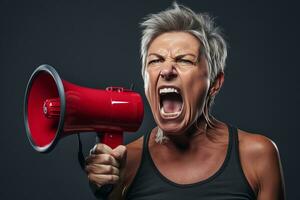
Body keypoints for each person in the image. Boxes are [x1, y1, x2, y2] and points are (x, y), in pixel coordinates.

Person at [85, 3, 285, 200]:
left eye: (184, 60)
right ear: (146, 80)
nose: (166, 70)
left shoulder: (257, 155)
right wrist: (107, 192)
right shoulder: (126, 163)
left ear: (215, 82)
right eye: (155, 60)